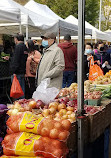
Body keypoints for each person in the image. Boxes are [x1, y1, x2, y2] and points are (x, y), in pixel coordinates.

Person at [10, 34, 28, 98]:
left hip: (17, 73)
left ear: (16, 39)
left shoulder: (18, 47)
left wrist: (13, 71)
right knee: (22, 90)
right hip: (23, 71)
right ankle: (23, 104)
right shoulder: (25, 47)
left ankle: (18, 105)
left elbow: (16, 60)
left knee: (17, 92)